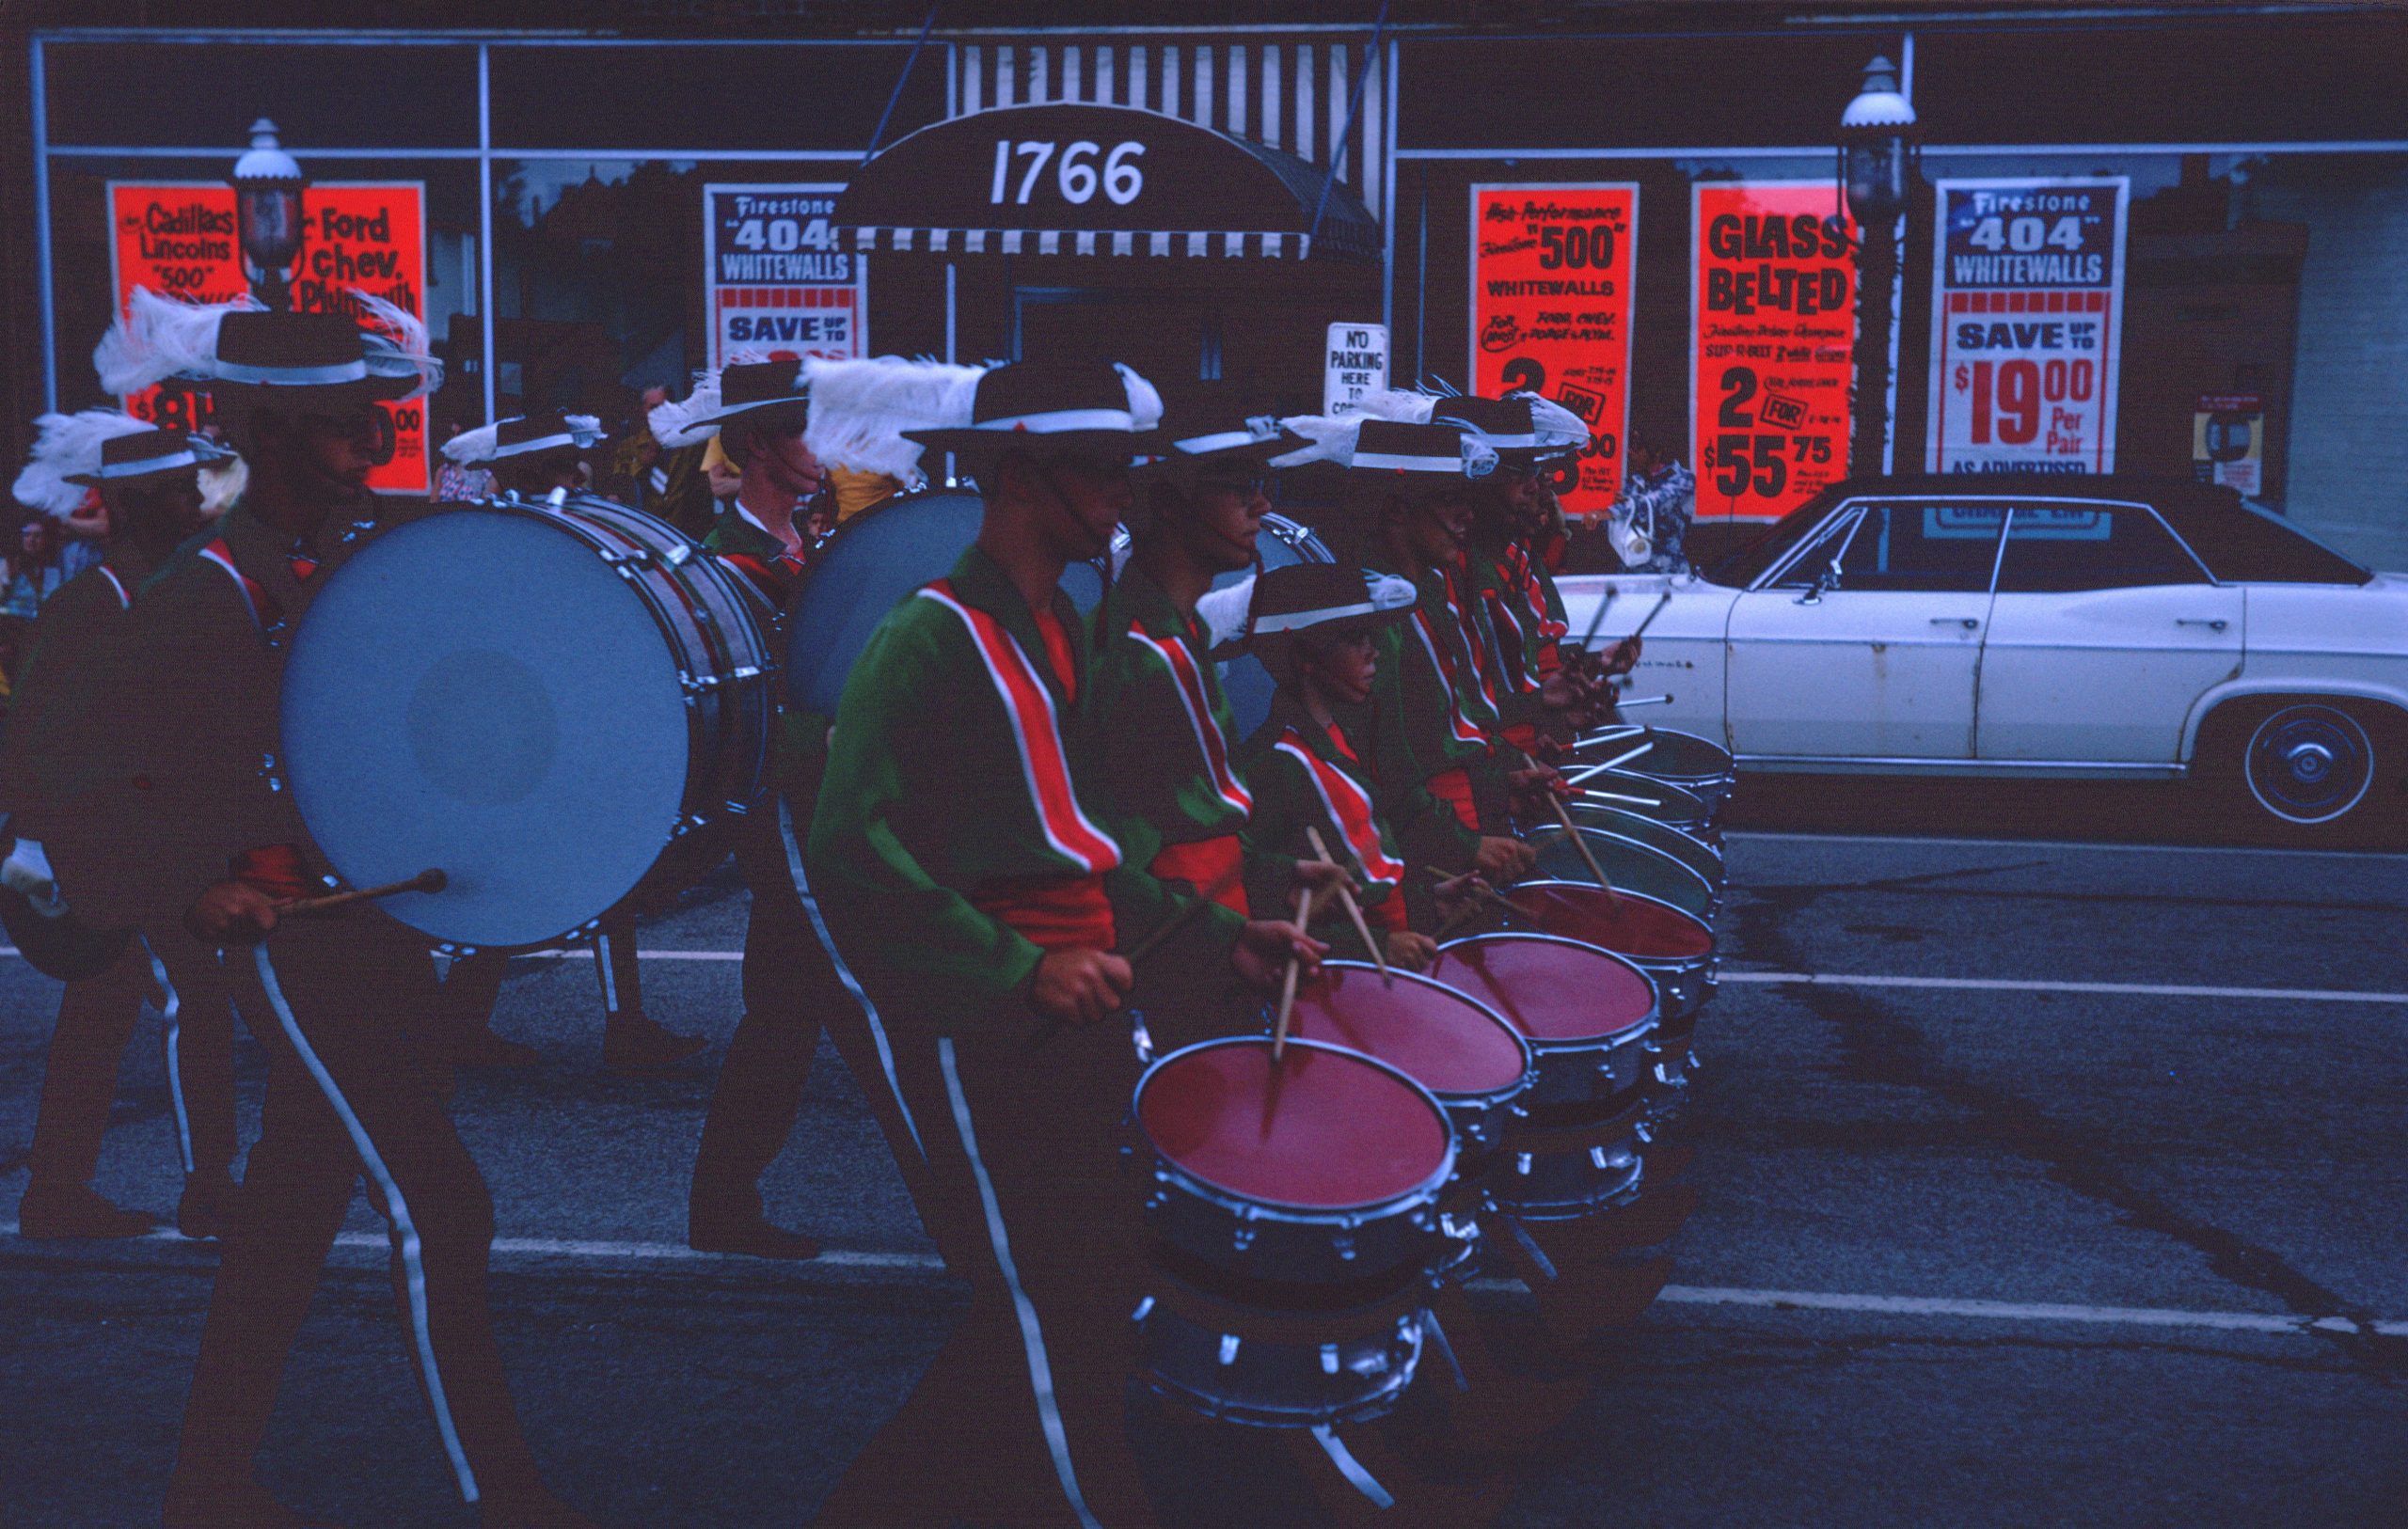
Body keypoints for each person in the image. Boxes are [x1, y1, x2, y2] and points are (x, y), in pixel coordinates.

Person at [76, 288, 596, 1528]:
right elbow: (85, 773)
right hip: (290, 935)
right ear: (264, 429)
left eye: (373, 417)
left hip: (374, 922)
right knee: (440, 1202)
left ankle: (206, 1481)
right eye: (344, 424)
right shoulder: (203, 591)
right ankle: (505, 1494)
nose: (374, 439)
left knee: (289, 1214)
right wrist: (193, 887)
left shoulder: (349, 557)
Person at [805, 360, 1322, 1529]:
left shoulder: (1065, 632)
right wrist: (1015, 965)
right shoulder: (924, 635)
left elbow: (1090, 840)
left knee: (1078, 1289)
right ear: (1019, 475)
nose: (1124, 491)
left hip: (1085, 1007)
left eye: (1127, 467)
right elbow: (849, 846)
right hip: (985, 1021)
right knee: (1054, 1298)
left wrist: (1225, 941)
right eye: (1099, 468)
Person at [3, 412, 243, 1240]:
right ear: (141, 508)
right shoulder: (89, 606)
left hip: (145, 834)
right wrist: (34, 847)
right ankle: (209, 1185)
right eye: (181, 493)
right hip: (102, 845)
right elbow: (33, 732)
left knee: (100, 1009)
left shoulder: (167, 593)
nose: (199, 505)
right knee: (193, 998)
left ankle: (54, 1193)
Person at [431, 410, 707, 1076]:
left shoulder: (557, 540)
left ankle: (619, 1023)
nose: (571, 478)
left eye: (567, 467)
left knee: (605, 871)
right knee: (497, 878)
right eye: (555, 469)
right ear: (522, 477)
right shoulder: (490, 543)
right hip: (501, 747)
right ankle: (459, 1028)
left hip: (553, 734)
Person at [649, 358, 848, 1258]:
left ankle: (719, 1205)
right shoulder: (733, 564)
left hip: (820, 813)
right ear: (764, 443)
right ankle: (974, 1229)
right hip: (786, 819)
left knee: (788, 1016)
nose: (828, 447)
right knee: (829, 1014)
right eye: (809, 430)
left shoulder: (802, 541)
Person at [1083, 407, 1354, 1045]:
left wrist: (1272, 874)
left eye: (1261, 483)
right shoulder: (1131, 653)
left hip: (1220, 940)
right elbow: (1120, 858)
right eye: (1236, 483)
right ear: (1170, 505)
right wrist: (1217, 940)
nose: (1261, 504)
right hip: (1170, 968)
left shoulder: (1182, 636)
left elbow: (1197, 821)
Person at [1276, 414, 1538, 895]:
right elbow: (1388, 775)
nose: (1468, 515)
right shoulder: (1371, 622)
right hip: (1422, 844)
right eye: (1447, 499)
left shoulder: (1430, 593)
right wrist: (1459, 846)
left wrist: (1503, 780)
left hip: (1462, 818)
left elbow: (1462, 724)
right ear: (1397, 510)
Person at [1235, 561, 1444, 970]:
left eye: (1370, 635)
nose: (1374, 651)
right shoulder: (1277, 765)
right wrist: (1376, 948)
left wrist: (1432, 897)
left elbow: (1368, 886)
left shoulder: (1342, 738)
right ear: (1304, 657)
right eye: (1353, 638)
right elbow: (1270, 918)